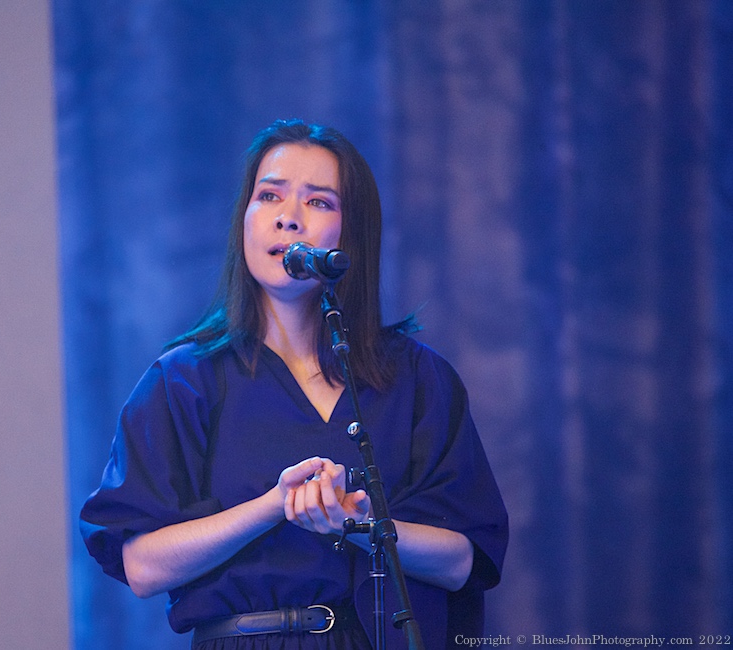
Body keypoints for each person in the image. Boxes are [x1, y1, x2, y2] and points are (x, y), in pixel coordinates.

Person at [80, 119, 508, 649]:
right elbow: (142, 566)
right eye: (269, 196)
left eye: (319, 202)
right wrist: (275, 505)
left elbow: (464, 559)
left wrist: (359, 520)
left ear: (351, 236)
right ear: (245, 220)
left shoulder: (419, 379)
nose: (288, 219)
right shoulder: (183, 380)